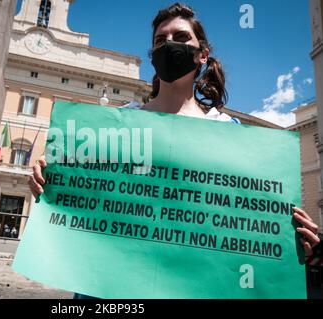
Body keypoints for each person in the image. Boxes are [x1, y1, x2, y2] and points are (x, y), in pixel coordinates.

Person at [28, 3, 322, 298]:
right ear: (153, 55)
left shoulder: (229, 132)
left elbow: (254, 217)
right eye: (160, 40)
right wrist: (52, 178)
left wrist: (294, 236)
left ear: (202, 54)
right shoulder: (118, 124)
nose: (169, 44)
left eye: (181, 37)